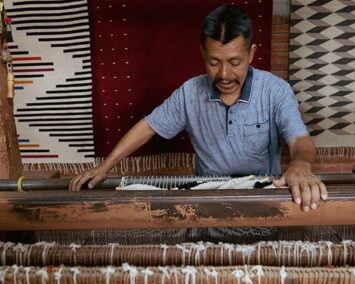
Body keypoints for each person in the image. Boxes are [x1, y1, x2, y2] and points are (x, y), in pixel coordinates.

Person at [70, 4, 328, 211]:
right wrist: (106, 166)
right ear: (203, 54)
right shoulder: (190, 93)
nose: (224, 74)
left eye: (235, 62)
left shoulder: (275, 90)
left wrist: (300, 165)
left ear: (251, 54)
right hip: (206, 206)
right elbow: (149, 126)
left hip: (263, 206)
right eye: (214, 62)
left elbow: (299, 141)